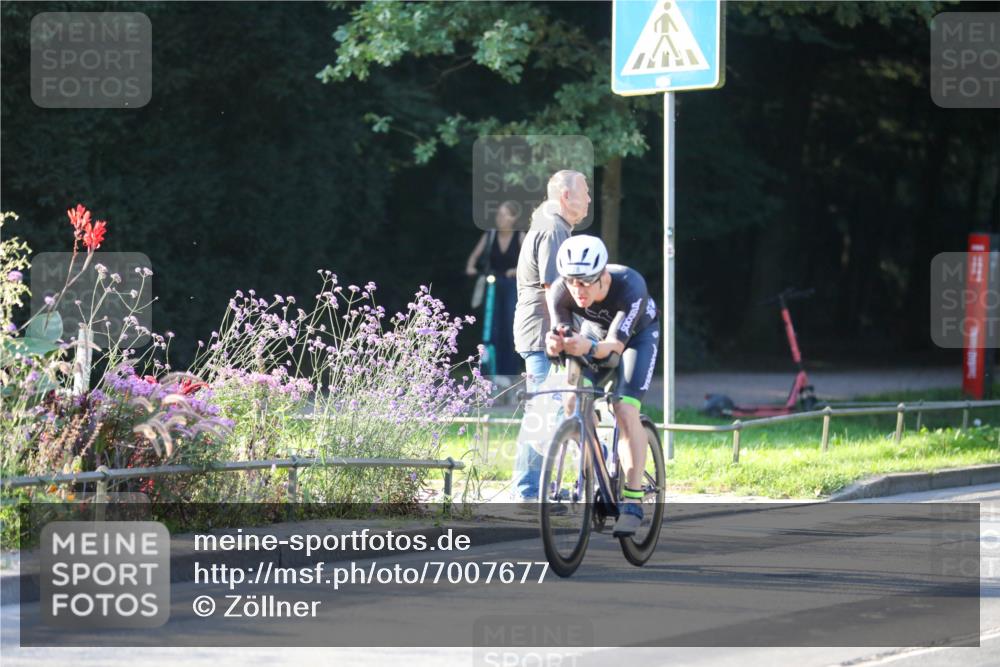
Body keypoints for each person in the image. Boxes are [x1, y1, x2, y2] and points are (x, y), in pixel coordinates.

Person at [545, 235, 659, 537]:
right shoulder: (560, 291)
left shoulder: (630, 286)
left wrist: (588, 346)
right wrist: (554, 344)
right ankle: (596, 458)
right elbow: (561, 334)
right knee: (573, 402)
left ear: (603, 276)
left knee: (623, 408)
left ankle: (633, 500)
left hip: (635, 339)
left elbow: (614, 350)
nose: (578, 290)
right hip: (595, 334)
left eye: (585, 282)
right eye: (572, 282)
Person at [511, 170, 592, 501]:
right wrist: (565, 335)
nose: (589, 199)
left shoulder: (551, 224)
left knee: (550, 412)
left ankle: (538, 488)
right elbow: (553, 288)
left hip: (542, 332)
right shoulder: (553, 228)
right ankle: (528, 491)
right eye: (585, 191)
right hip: (543, 334)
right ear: (566, 195)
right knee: (543, 414)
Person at [464, 201, 524, 376]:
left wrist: (517, 270)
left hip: (512, 286)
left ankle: (510, 371)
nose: (500, 219)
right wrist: (471, 267)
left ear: (513, 218)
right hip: (493, 285)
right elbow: (473, 258)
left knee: (510, 326)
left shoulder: (520, 236)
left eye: (504, 215)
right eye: (498, 215)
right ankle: (490, 370)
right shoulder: (490, 235)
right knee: (491, 328)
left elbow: (531, 262)